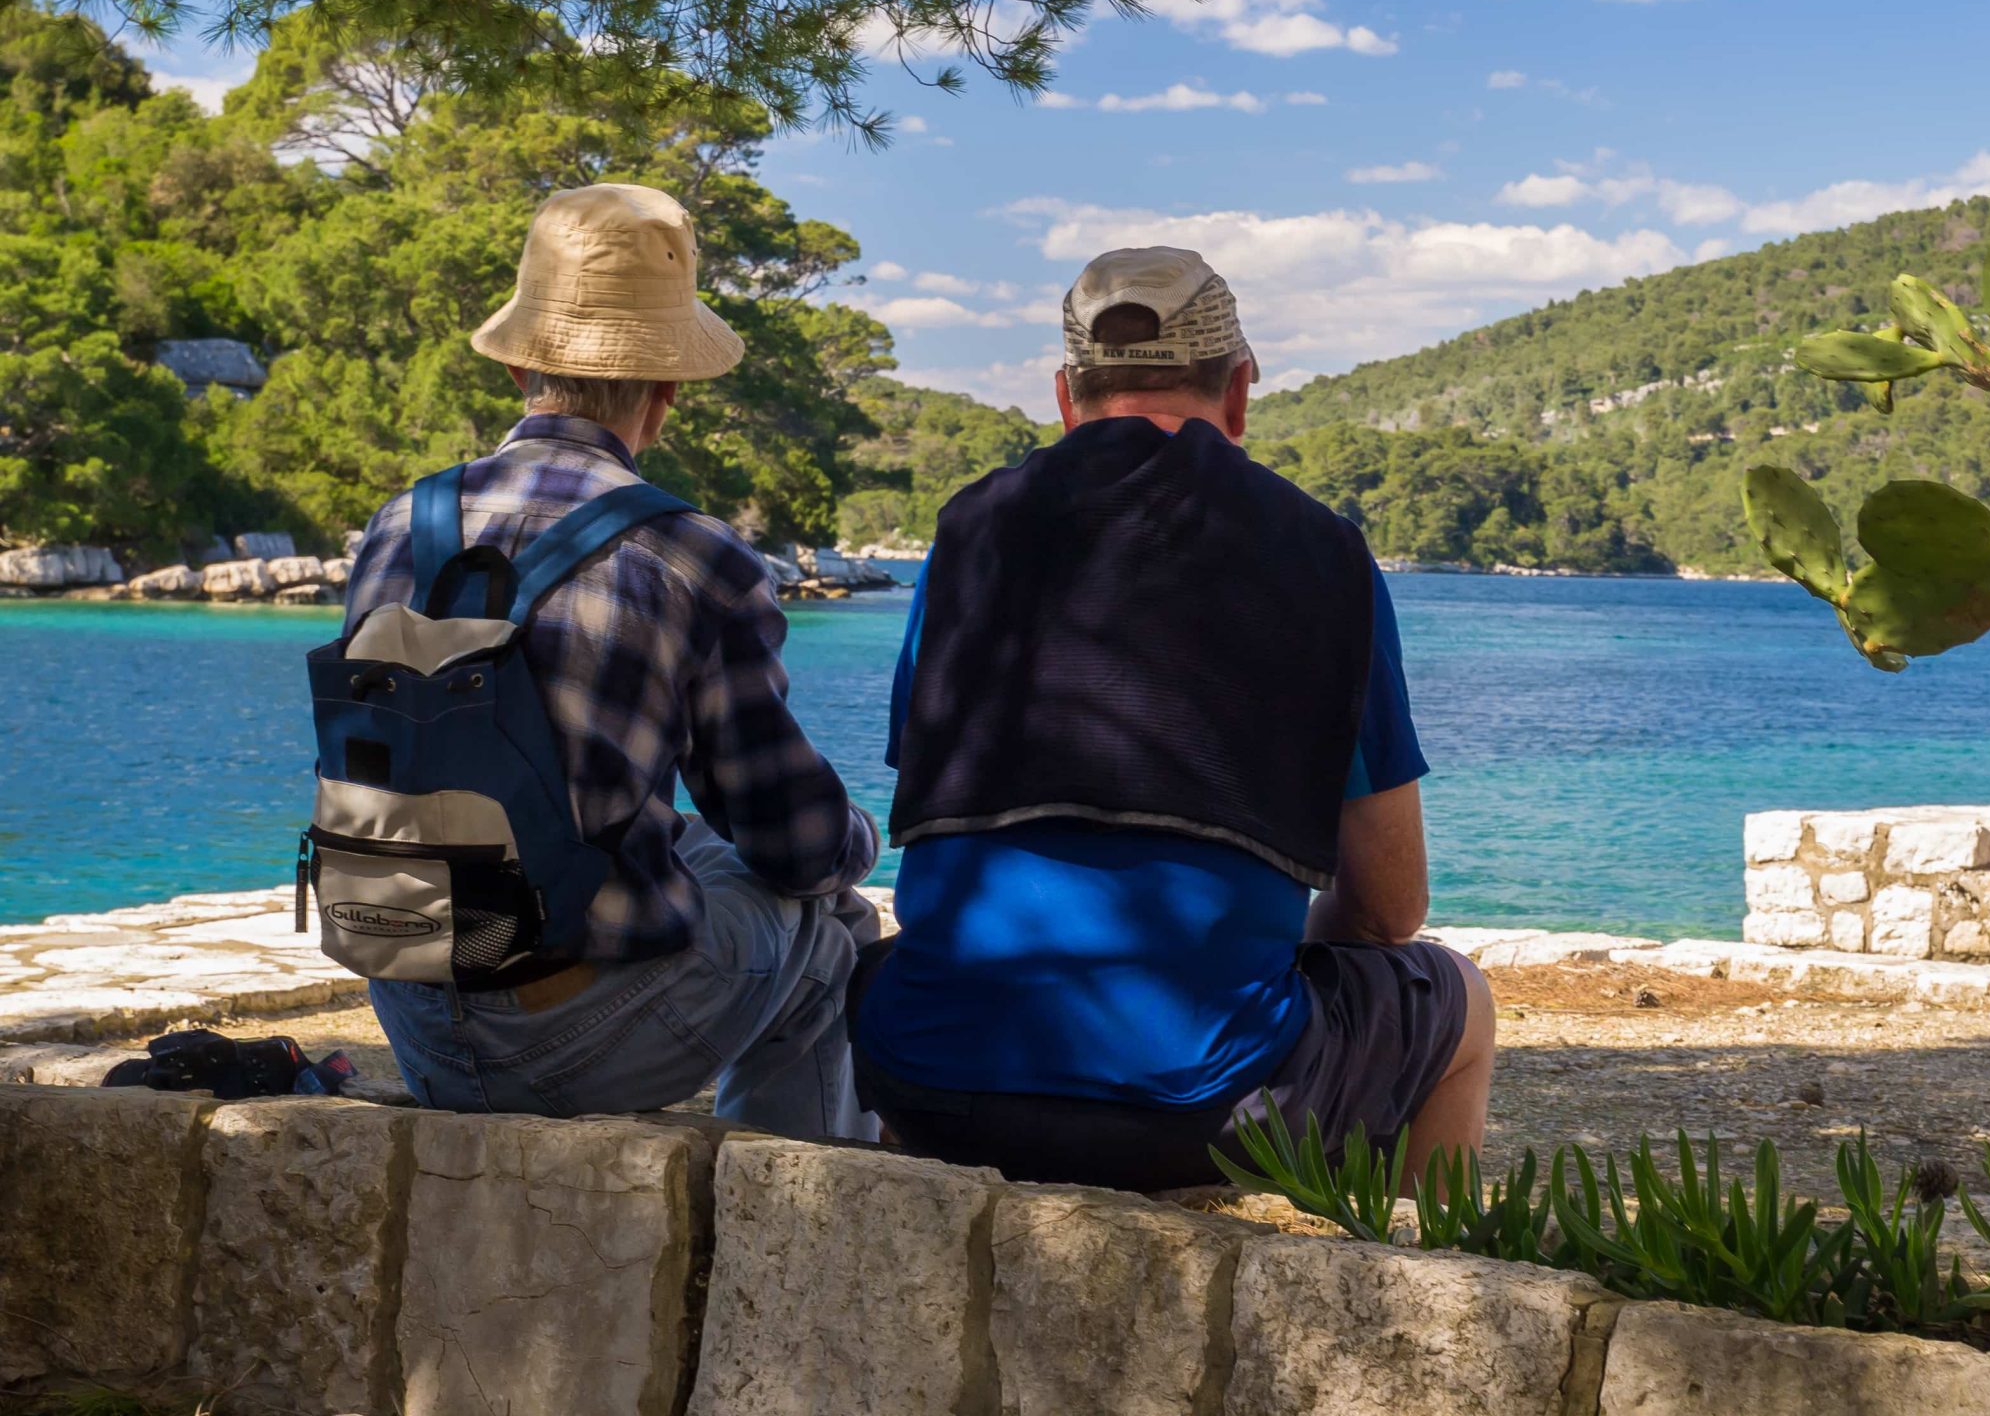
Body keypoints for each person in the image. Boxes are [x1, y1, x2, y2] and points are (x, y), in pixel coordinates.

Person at [854, 245, 1493, 1190]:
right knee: (1459, 999)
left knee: (904, 978)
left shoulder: (966, 532)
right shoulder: (1322, 554)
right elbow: (1391, 908)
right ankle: (1427, 1292)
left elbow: (936, 827)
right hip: (1206, 1112)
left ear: (1066, 396)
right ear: (1239, 393)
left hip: (925, 1086)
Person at [343, 182, 876, 1137]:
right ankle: (781, 1204)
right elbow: (793, 840)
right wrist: (856, 847)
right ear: (668, 392)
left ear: (519, 370)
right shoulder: (691, 556)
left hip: (413, 1005)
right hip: (562, 1038)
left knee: (701, 847)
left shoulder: (399, 524)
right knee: (822, 924)